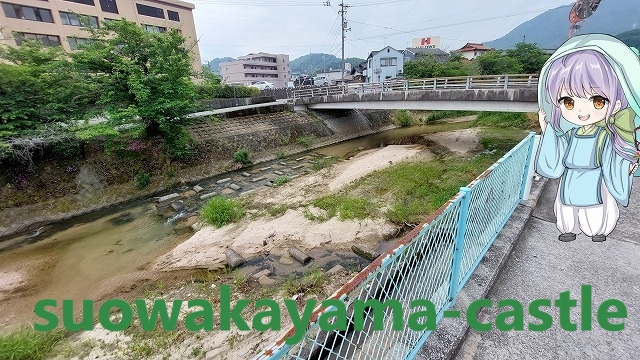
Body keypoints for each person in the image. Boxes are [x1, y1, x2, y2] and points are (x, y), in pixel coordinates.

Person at [535, 34, 640, 242]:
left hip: (595, 176)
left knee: (596, 207)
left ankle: (597, 231)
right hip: (570, 177)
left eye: (598, 101)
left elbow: (613, 156)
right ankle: (569, 229)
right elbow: (557, 149)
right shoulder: (571, 134)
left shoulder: (605, 134)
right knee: (567, 206)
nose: (582, 111)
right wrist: (546, 128)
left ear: (617, 103)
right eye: (568, 102)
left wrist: (625, 165)